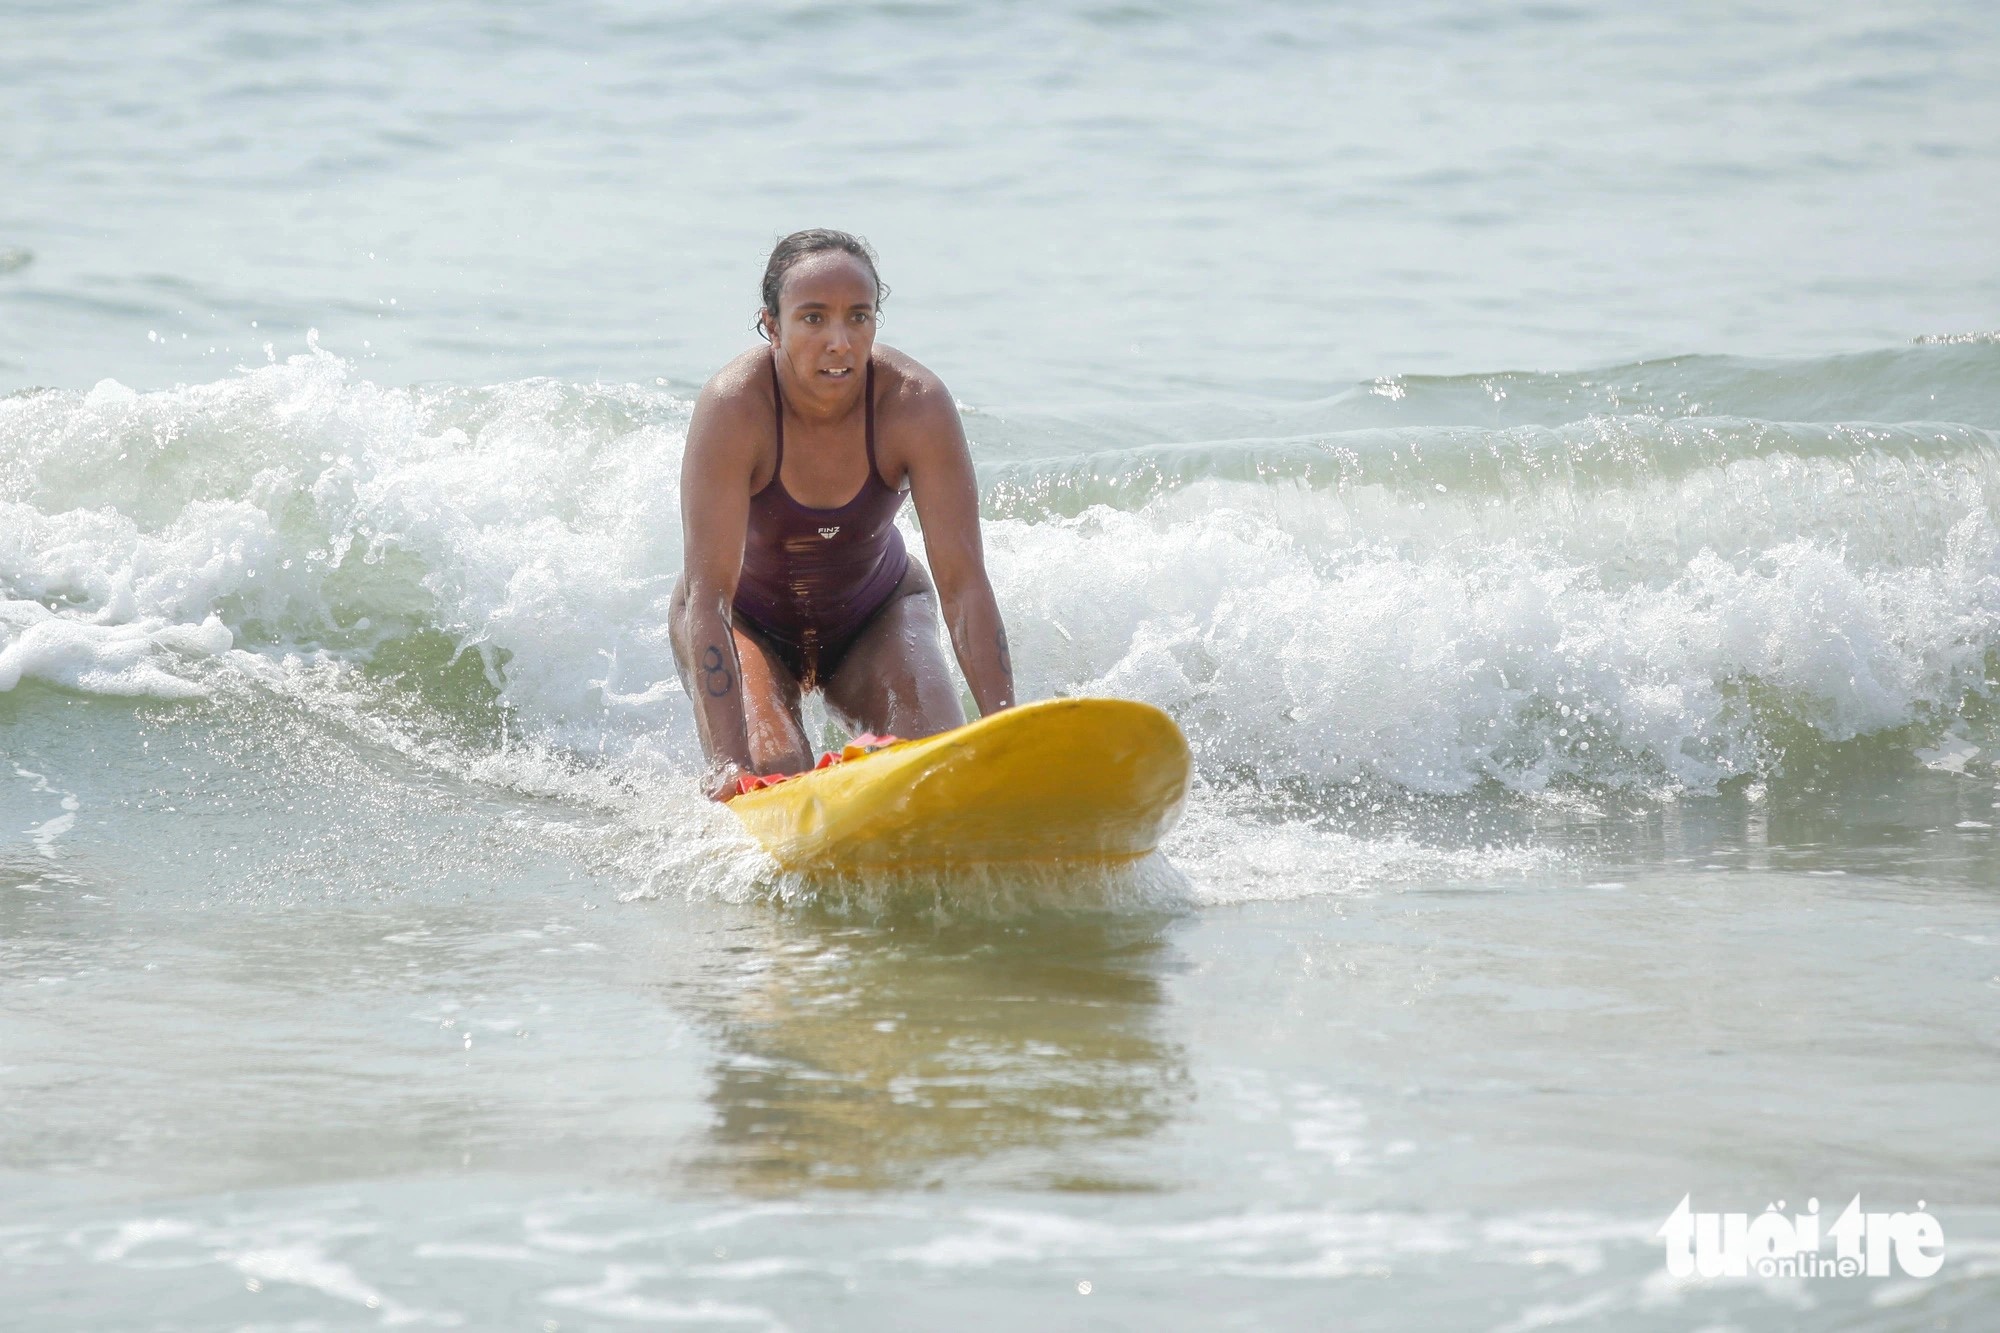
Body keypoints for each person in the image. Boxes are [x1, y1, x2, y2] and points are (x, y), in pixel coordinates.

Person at [671, 230, 1014, 800]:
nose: (840, 342)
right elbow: (709, 601)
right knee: (777, 772)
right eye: (813, 318)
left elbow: (964, 586)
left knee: (930, 765)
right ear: (772, 325)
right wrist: (729, 765)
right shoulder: (735, 408)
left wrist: (1008, 730)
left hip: (877, 613)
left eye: (859, 317)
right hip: (745, 624)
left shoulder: (915, 405)